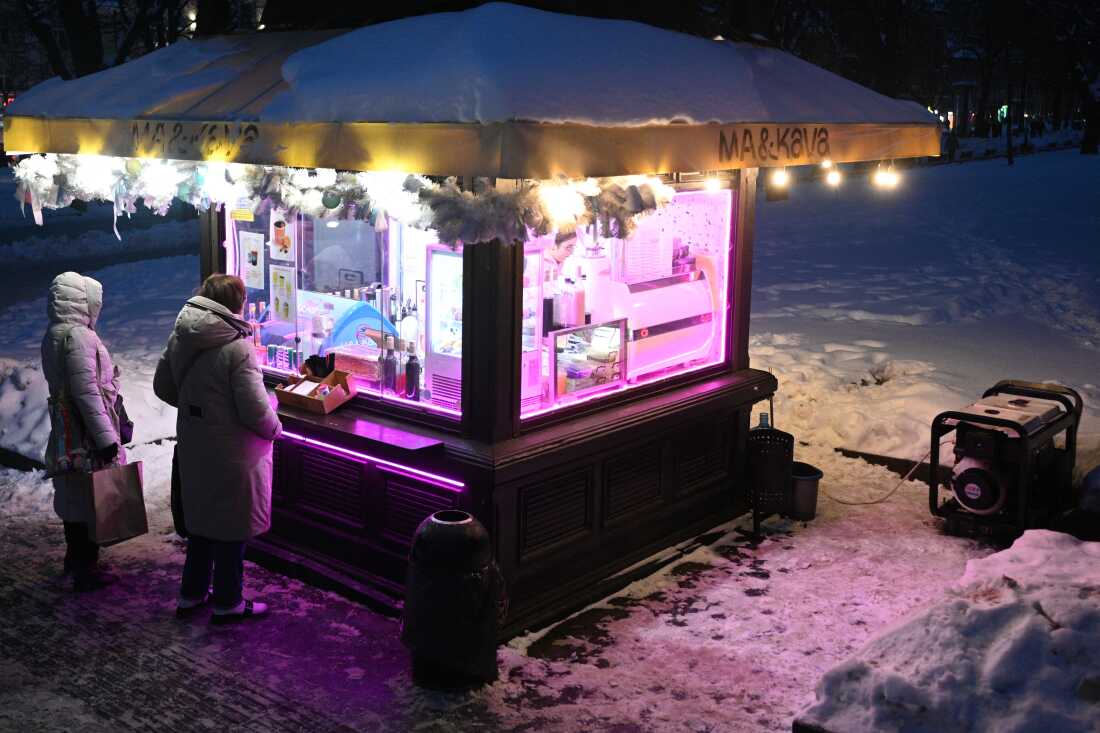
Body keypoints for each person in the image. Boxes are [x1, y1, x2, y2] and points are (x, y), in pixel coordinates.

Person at [154, 274, 282, 623]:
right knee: (231, 528)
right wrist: (276, 428)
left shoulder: (182, 336)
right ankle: (229, 602)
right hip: (233, 452)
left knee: (201, 524)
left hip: (196, 444)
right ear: (237, 304)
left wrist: (198, 407)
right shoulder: (237, 348)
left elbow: (163, 386)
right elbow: (255, 410)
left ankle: (191, 594)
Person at [41, 272, 127, 591]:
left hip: (67, 430)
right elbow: (86, 392)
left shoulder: (54, 333)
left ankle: (75, 560)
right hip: (86, 435)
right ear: (83, 302)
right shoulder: (79, 336)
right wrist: (106, 440)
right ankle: (85, 568)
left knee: (74, 496)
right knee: (91, 496)